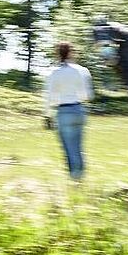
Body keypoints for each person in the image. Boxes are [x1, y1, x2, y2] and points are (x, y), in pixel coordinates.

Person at [44, 41, 93, 180]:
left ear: (57, 54)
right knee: (78, 147)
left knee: (68, 148)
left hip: (64, 112)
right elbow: (88, 96)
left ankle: (74, 178)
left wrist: (47, 115)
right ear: (72, 53)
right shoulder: (82, 70)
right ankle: (80, 176)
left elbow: (49, 96)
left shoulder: (54, 72)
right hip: (79, 109)